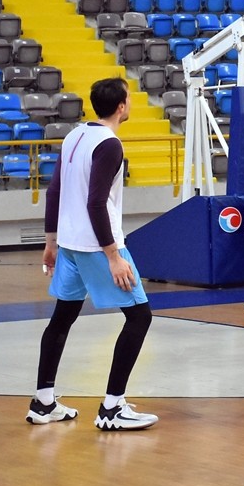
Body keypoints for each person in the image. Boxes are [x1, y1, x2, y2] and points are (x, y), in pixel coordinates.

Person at [27, 77, 158, 430]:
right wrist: (113, 255)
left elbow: (54, 190)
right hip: (96, 245)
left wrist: (51, 242)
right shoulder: (110, 144)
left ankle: (43, 403)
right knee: (139, 316)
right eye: (129, 99)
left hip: (69, 243)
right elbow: (96, 202)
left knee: (62, 317)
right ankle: (112, 408)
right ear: (121, 106)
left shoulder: (74, 135)